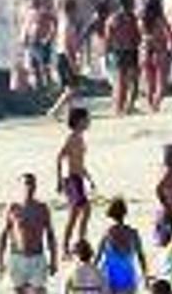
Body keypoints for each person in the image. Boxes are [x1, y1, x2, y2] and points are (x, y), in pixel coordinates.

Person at [0, 173, 57, 294]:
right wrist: (0, 262)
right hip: (17, 257)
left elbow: (50, 235)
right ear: (19, 186)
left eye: (32, 184)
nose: (29, 187)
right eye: (26, 183)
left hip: (37, 257)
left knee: (39, 291)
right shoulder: (13, 208)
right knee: (17, 291)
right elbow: (4, 235)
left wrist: (53, 260)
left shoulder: (42, 208)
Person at [57, 107, 95, 258]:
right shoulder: (71, 137)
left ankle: (73, 245)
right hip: (71, 179)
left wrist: (89, 178)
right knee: (83, 211)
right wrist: (59, 180)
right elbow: (59, 157)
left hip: (77, 178)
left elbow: (79, 161)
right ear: (79, 121)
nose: (89, 122)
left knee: (77, 213)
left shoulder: (80, 137)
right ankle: (75, 245)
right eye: (87, 119)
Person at [94, 198, 149, 294]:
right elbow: (141, 257)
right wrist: (145, 276)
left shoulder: (107, 234)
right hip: (128, 277)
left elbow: (97, 258)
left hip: (110, 278)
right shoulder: (133, 233)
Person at [104, 0, 141, 115]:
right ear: (129, 3)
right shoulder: (130, 17)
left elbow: (108, 38)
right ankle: (124, 107)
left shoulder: (114, 18)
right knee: (129, 81)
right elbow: (136, 35)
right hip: (127, 51)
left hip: (121, 51)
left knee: (123, 82)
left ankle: (122, 107)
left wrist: (107, 53)